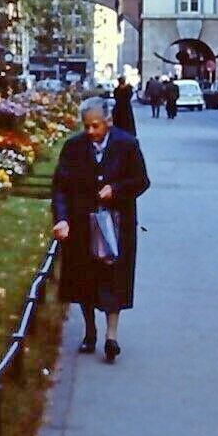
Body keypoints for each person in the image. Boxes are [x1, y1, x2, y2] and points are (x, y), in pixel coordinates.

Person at [52, 97, 151, 362]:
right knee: (84, 277)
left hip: (116, 225)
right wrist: (61, 219)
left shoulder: (127, 145)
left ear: (107, 122)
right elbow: (60, 186)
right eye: (86, 126)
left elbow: (142, 181)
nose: (90, 132)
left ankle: (111, 336)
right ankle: (90, 331)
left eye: (95, 126)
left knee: (113, 278)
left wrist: (116, 190)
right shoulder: (73, 147)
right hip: (83, 222)